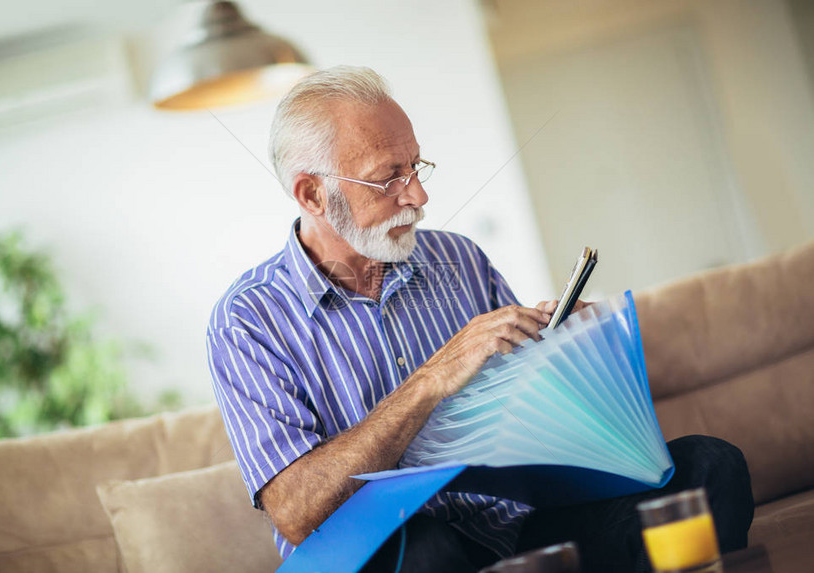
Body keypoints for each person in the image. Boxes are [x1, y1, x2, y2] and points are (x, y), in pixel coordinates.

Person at [207, 66, 753, 572]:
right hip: (389, 554)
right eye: (388, 178)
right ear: (312, 193)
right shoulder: (247, 321)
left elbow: (535, 412)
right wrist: (429, 380)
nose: (418, 195)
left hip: (512, 530)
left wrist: (572, 353)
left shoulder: (460, 259)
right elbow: (296, 513)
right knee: (426, 550)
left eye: (415, 167)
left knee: (709, 465)